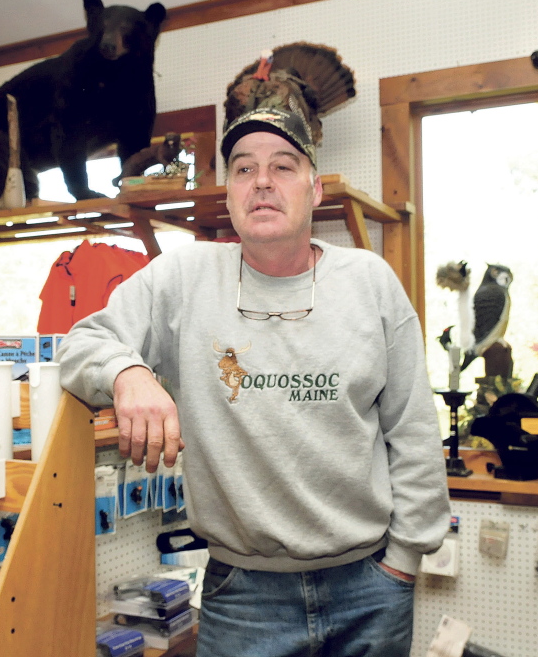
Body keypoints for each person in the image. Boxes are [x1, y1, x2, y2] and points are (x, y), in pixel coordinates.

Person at [57, 105, 451, 657]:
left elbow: (412, 428)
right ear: (230, 195)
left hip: (371, 590)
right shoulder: (184, 277)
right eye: (243, 168)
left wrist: (404, 562)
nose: (262, 181)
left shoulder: (370, 282)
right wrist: (128, 371)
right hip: (242, 599)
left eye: (283, 166)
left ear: (315, 191)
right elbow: (78, 345)